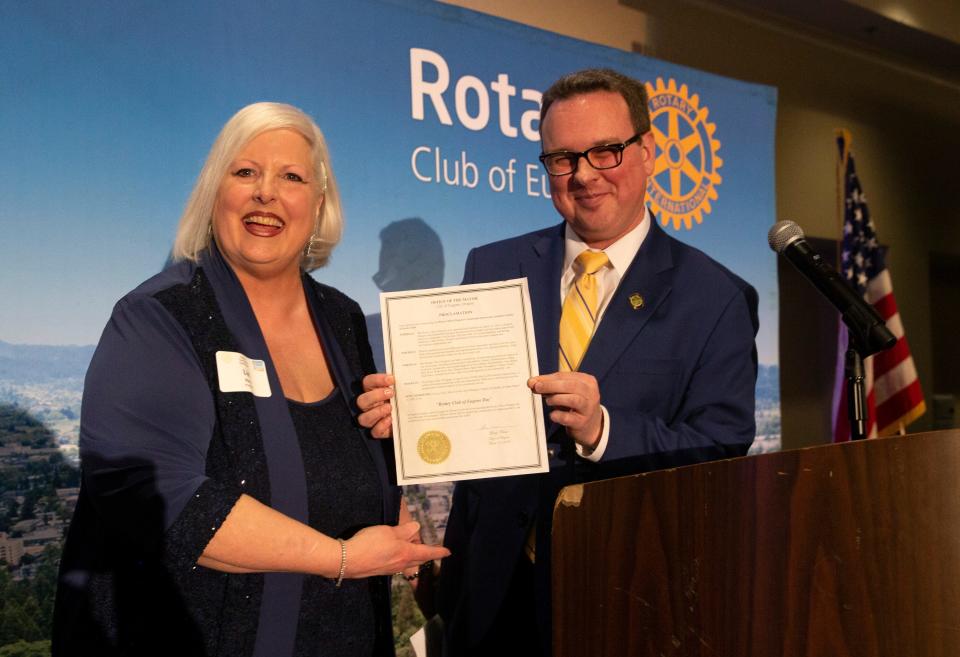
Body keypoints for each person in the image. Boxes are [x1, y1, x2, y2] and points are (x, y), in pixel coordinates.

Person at [357, 68, 759, 657]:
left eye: (606, 151)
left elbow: (720, 447)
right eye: (563, 159)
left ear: (648, 152)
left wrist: (603, 430)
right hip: (493, 592)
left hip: (630, 592)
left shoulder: (715, 296)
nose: (585, 175)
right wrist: (404, 410)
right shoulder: (494, 265)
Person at [52, 102, 448, 657]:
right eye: (245, 172)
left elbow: (337, 468)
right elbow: (163, 500)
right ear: (216, 192)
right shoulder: (158, 317)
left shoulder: (343, 318)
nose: (266, 192)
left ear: (318, 204)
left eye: (291, 176)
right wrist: (343, 560)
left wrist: (389, 446)